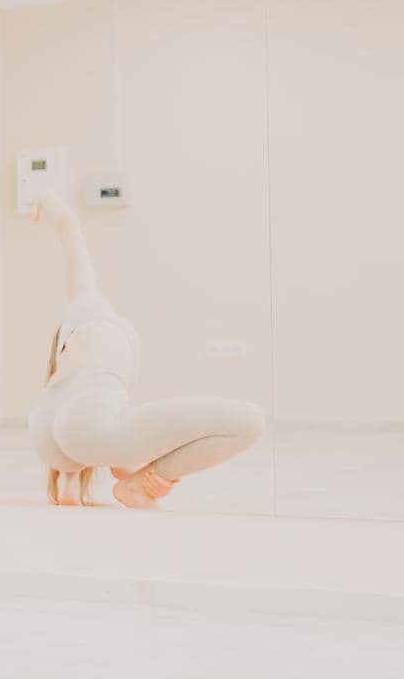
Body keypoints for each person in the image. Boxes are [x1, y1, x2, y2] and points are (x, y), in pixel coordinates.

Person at [25, 187, 264, 509]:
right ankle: (137, 489)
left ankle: (79, 487)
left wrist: (140, 474)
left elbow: (109, 449)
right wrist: (44, 196)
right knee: (248, 422)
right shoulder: (88, 305)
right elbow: (69, 227)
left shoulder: (69, 359)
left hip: (46, 433)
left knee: (97, 451)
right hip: (81, 428)